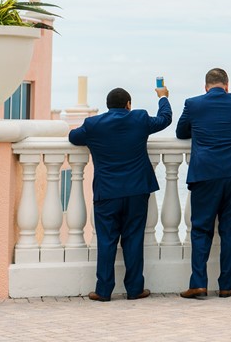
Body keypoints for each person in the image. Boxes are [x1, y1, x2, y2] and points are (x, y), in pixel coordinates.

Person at [68, 85, 172, 302]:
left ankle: (103, 290)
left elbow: (73, 137)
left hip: (107, 191)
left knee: (106, 241)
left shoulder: (93, 124)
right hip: (136, 190)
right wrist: (163, 98)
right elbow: (165, 119)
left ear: (108, 106)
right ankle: (135, 289)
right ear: (128, 105)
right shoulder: (140, 119)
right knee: (133, 239)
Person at [176, 68, 231, 299]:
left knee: (201, 229)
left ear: (205, 87)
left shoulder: (193, 104)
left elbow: (181, 132)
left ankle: (199, 284)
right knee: (230, 229)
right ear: (227, 85)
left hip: (205, 172)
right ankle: (226, 285)